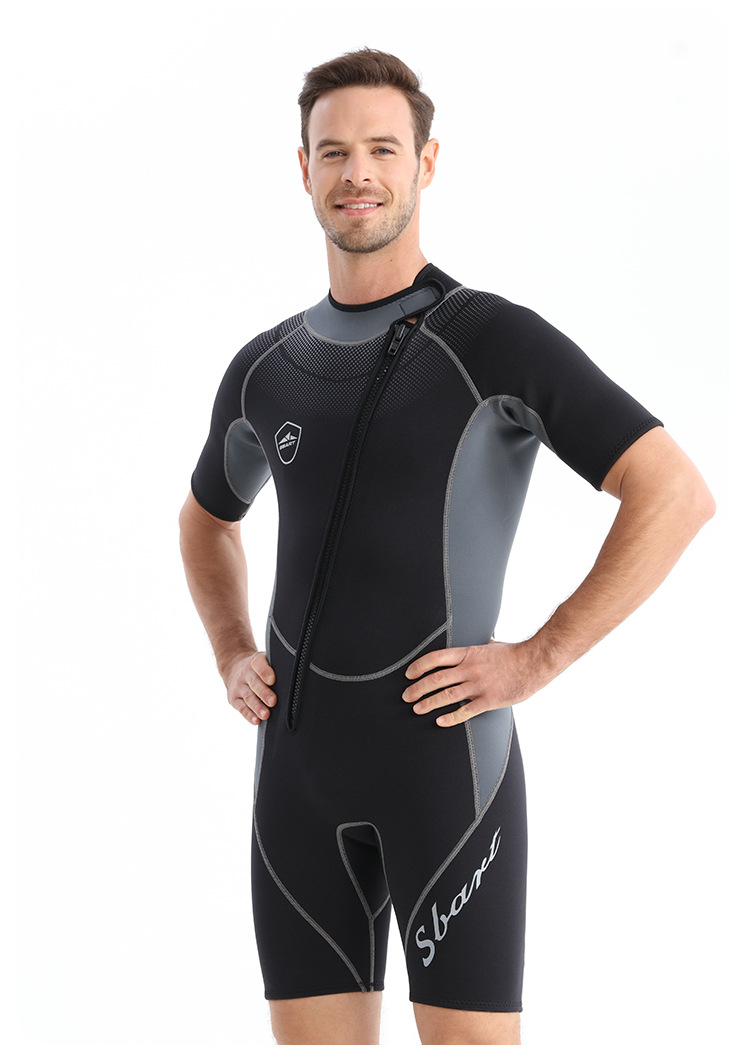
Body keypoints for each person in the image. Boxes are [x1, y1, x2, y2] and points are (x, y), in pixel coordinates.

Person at [178, 48, 715, 1046]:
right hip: (293, 782)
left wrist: (537, 657)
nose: (358, 173)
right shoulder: (267, 368)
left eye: (383, 149)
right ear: (303, 169)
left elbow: (674, 492)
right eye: (334, 152)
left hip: (447, 776)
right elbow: (207, 517)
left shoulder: (489, 339)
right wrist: (230, 650)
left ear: (427, 163)